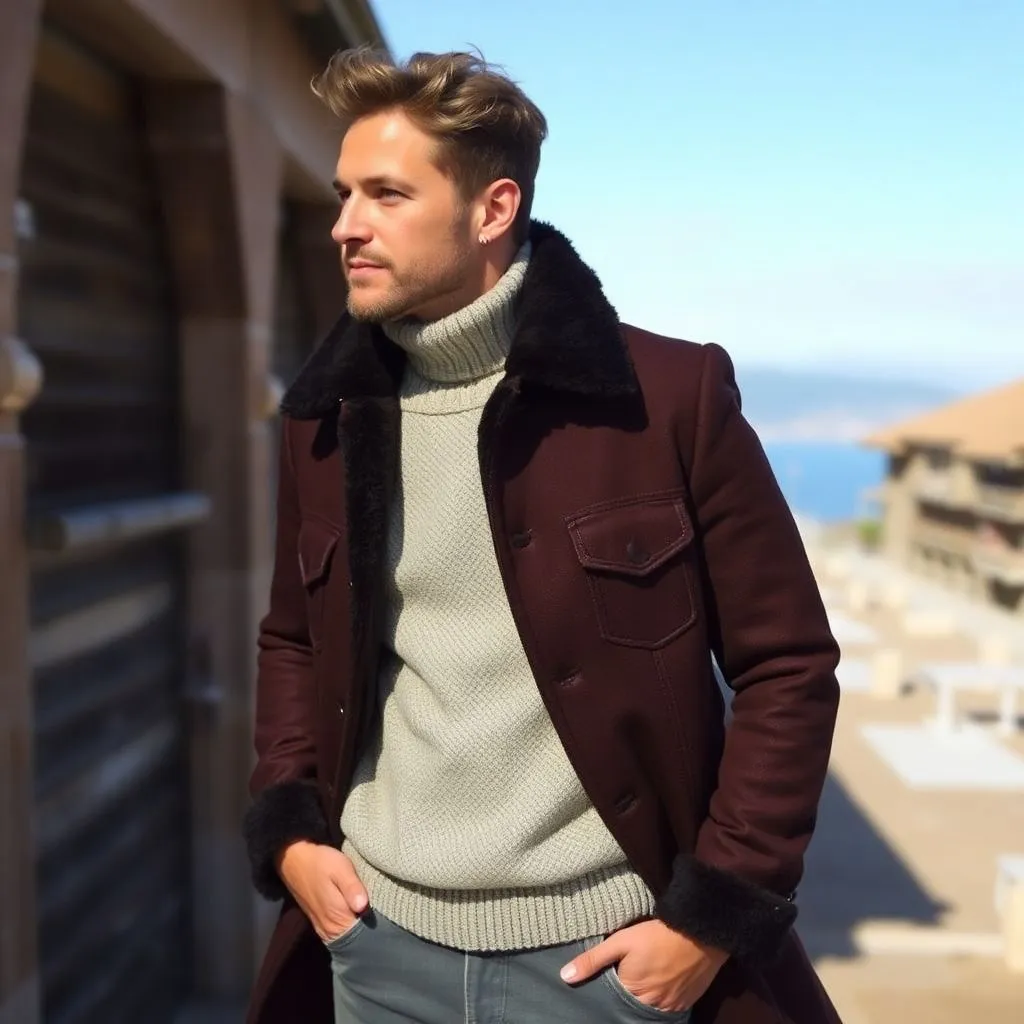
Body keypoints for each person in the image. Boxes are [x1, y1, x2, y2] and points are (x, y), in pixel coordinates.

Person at [243, 47, 842, 1024]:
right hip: (374, 951)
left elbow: (789, 666)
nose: (344, 225)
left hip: (603, 972)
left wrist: (711, 918)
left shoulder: (668, 400)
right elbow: (291, 640)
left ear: (492, 208)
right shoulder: (324, 418)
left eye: (386, 194)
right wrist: (292, 836)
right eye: (344, 193)